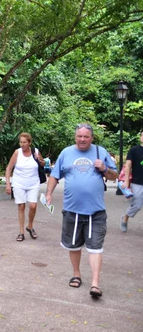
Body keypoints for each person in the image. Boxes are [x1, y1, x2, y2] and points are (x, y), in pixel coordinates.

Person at [45, 123, 117, 298]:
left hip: (96, 211)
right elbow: (55, 175)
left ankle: (95, 284)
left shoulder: (101, 151)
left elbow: (115, 175)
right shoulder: (66, 153)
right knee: (74, 245)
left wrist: (104, 169)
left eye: (86, 136)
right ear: (75, 137)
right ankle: (76, 274)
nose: (82, 139)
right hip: (72, 209)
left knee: (95, 247)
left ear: (92, 138)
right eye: (79, 136)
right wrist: (48, 194)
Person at [5, 132, 45, 242]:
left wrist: (39, 159)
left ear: (29, 143)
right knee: (21, 206)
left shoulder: (35, 151)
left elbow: (43, 164)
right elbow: (9, 168)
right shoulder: (17, 153)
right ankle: (21, 232)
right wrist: (8, 184)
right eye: (20, 142)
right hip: (19, 183)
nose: (22, 144)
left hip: (33, 183)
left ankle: (30, 226)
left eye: (24, 142)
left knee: (33, 206)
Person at [120, 130, 143, 233]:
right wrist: (126, 181)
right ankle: (125, 218)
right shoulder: (134, 150)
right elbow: (128, 166)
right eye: (142, 135)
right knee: (137, 205)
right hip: (137, 182)